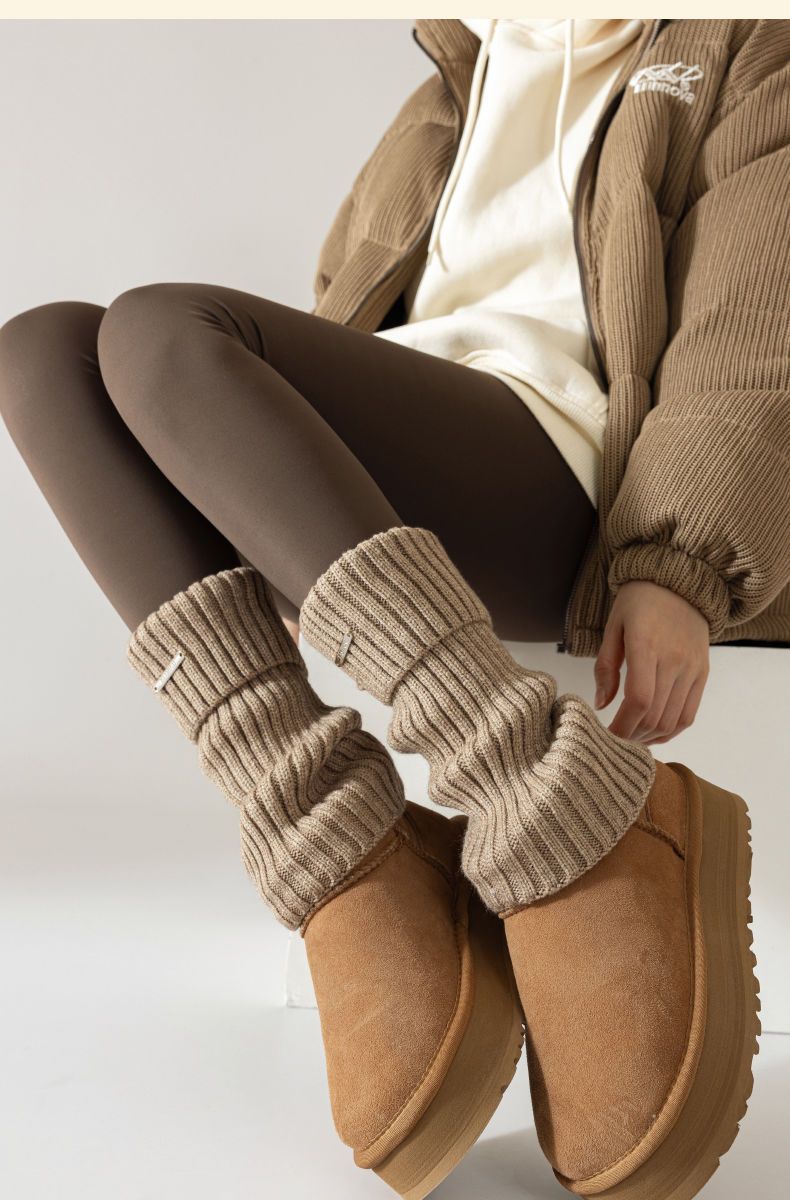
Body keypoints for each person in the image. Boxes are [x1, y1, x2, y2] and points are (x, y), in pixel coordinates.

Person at [1, 17, 784, 1200]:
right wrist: (278, 514)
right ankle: (339, 838)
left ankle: (557, 799)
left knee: (163, 328)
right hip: (431, 454)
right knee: (44, 351)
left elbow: (755, 331)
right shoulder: (458, 72)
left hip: (592, 466)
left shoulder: (746, 45)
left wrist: (675, 562)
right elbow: (347, 319)